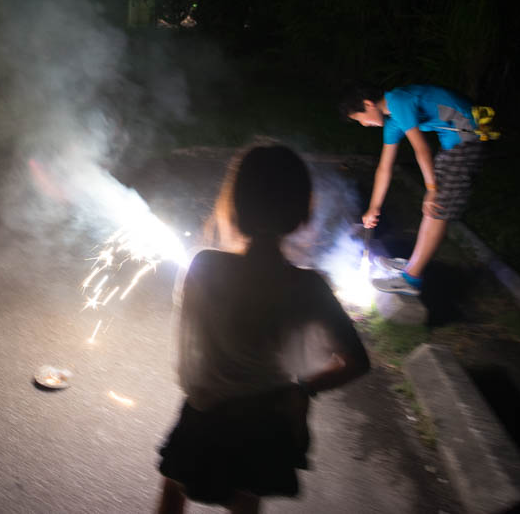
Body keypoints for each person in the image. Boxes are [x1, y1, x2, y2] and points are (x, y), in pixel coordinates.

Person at [157, 145, 370, 514]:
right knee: (246, 499)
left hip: (206, 413)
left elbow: (190, 342)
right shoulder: (310, 287)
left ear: (236, 207)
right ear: (301, 212)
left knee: (174, 486)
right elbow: (356, 361)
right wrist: (304, 389)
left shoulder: (203, 265)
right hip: (267, 423)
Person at [342, 84, 488, 296]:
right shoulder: (393, 122)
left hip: (469, 137)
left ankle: (411, 279)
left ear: (368, 104)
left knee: (437, 207)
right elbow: (384, 168)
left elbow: (422, 149)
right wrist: (373, 207)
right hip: (453, 143)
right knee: (432, 208)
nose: (364, 125)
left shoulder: (398, 101)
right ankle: (413, 265)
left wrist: (431, 188)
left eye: (361, 119)